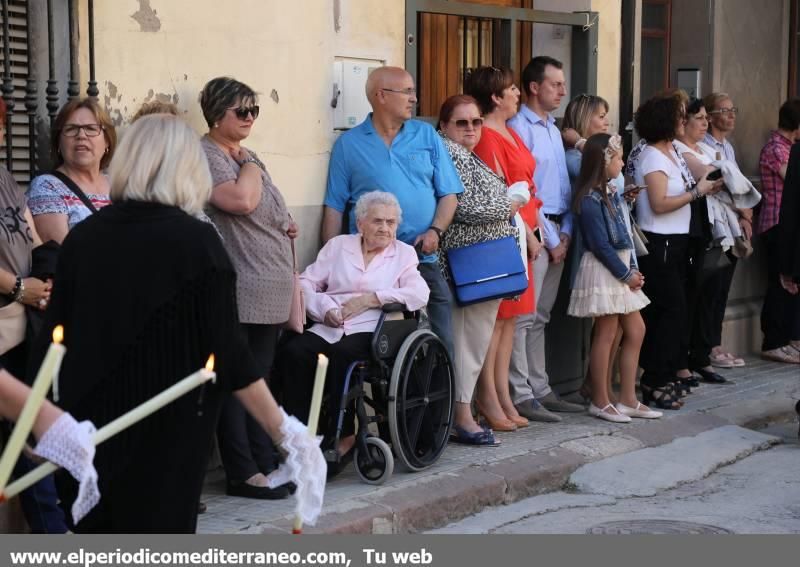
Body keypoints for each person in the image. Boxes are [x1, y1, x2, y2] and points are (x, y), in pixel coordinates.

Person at [36, 114, 322, 533]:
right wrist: (286, 433)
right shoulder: (197, 242)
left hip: (88, 423)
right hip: (167, 432)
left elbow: (53, 339)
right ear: (188, 167)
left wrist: (41, 425)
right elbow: (230, 354)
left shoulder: (85, 237)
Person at [199, 76, 297, 500]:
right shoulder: (208, 154)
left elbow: (270, 203)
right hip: (243, 282)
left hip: (270, 283)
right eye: (242, 111)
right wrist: (252, 166)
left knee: (260, 377)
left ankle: (265, 460)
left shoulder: (245, 154)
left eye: (254, 110)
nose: (250, 118)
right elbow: (240, 201)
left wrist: (287, 221)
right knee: (238, 381)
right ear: (216, 113)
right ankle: (242, 471)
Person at [322, 66, 463, 362]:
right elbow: (334, 206)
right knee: (381, 348)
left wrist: (435, 231)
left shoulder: (426, 135)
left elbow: (449, 194)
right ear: (381, 96)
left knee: (442, 340)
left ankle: (445, 406)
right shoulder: (349, 144)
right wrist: (329, 258)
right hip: (371, 266)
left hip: (422, 257)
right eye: (407, 92)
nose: (414, 98)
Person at [276, 192, 429, 461]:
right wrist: (325, 309)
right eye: (378, 221)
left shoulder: (403, 254)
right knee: (294, 352)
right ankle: (298, 437)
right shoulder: (338, 246)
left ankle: (344, 435)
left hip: (372, 329)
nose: (385, 228)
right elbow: (305, 284)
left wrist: (373, 299)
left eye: (391, 223)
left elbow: (418, 294)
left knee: (341, 356)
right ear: (360, 223)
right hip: (329, 324)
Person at [436, 94, 521, 444]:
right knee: (467, 344)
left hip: (479, 263)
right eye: (461, 123)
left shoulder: (464, 154)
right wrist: (512, 202)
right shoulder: (450, 153)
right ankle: (462, 417)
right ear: (444, 126)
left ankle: (464, 412)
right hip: (468, 264)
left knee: (474, 343)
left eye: (476, 122)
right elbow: (465, 207)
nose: (471, 129)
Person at [464, 66, 546, 429]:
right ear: (496, 97)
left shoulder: (510, 131)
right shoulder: (487, 137)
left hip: (526, 229)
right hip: (507, 232)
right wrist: (528, 233)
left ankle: (502, 395)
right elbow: (499, 191)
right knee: (495, 321)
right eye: (512, 89)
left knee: (511, 320)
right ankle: (488, 396)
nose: (517, 94)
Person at [633, 95, 722, 410]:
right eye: (679, 116)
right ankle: (653, 379)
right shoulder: (652, 157)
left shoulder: (670, 151)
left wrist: (706, 183)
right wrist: (697, 192)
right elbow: (658, 204)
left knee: (675, 311)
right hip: (660, 242)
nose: (684, 121)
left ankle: (664, 373)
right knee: (668, 311)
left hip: (677, 240)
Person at [507, 56, 584, 417]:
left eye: (563, 84)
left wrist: (565, 232)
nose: (563, 91)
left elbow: (563, 189)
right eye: (555, 84)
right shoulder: (518, 127)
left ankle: (540, 386)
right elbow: (523, 189)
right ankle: (521, 392)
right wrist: (551, 238)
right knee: (522, 317)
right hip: (534, 231)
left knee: (541, 316)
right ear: (534, 87)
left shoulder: (554, 129)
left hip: (557, 231)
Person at [0, 98, 63, 534]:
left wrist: (44, 278)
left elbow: (31, 232)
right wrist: (21, 288)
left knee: (24, 430)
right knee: (22, 429)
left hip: (20, 324)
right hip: (7, 316)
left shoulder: (4, 176)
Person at [568, 133, 659, 422]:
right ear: (603, 161)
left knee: (636, 329)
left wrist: (625, 202)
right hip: (605, 269)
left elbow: (619, 233)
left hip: (619, 267)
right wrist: (626, 274)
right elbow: (601, 245)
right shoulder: (590, 199)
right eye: (618, 157)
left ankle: (628, 398)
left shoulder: (608, 193)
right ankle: (599, 400)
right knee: (606, 334)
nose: (622, 162)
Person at [561, 94, 643, 404]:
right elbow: (598, 175)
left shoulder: (604, 177)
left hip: (618, 254)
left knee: (621, 330)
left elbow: (617, 184)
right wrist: (585, 144)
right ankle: (601, 396)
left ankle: (604, 391)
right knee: (607, 330)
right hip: (600, 256)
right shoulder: (578, 158)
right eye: (600, 115)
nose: (606, 119)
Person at [674, 98, 736, 383]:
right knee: (688, 297)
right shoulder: (679, 149)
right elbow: (714, 176)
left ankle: (701, 356)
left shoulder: (708, 149)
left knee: (709, 296)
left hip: (714, 228)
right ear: (682, 122)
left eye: (704, 118)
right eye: (698, 118)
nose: (704, 123)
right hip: (688, 229)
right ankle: (682, 361)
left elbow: (729, 183)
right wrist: (722, 179)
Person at [26, 99, 117, 243]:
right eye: (71, 129)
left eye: (91, 128)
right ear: (58, 143)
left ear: (107, 141)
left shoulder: (120, 186)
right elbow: (60, 255)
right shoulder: (47, 187)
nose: (81, 135)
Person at [702, 93, 749, 368]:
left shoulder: (728, 147)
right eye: (725, 110)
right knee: (710, 288)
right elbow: (721, 186)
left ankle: (715, 342)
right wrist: (742, 208)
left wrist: (745, 216)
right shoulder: (702, 146)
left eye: (734, 110)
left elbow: (740, 184)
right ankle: (707, 346)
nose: (731, 115)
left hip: (732, 222)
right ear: (709, 116)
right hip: (715, 224)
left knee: (722, 289)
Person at [756, 99, 800, 364]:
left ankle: (788, 338)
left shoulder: (789, 147)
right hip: (776, 222)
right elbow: (791, 180)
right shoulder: (776, 148)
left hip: (788, 224)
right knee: (778, 283)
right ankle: (773, 341)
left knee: (791, 285)